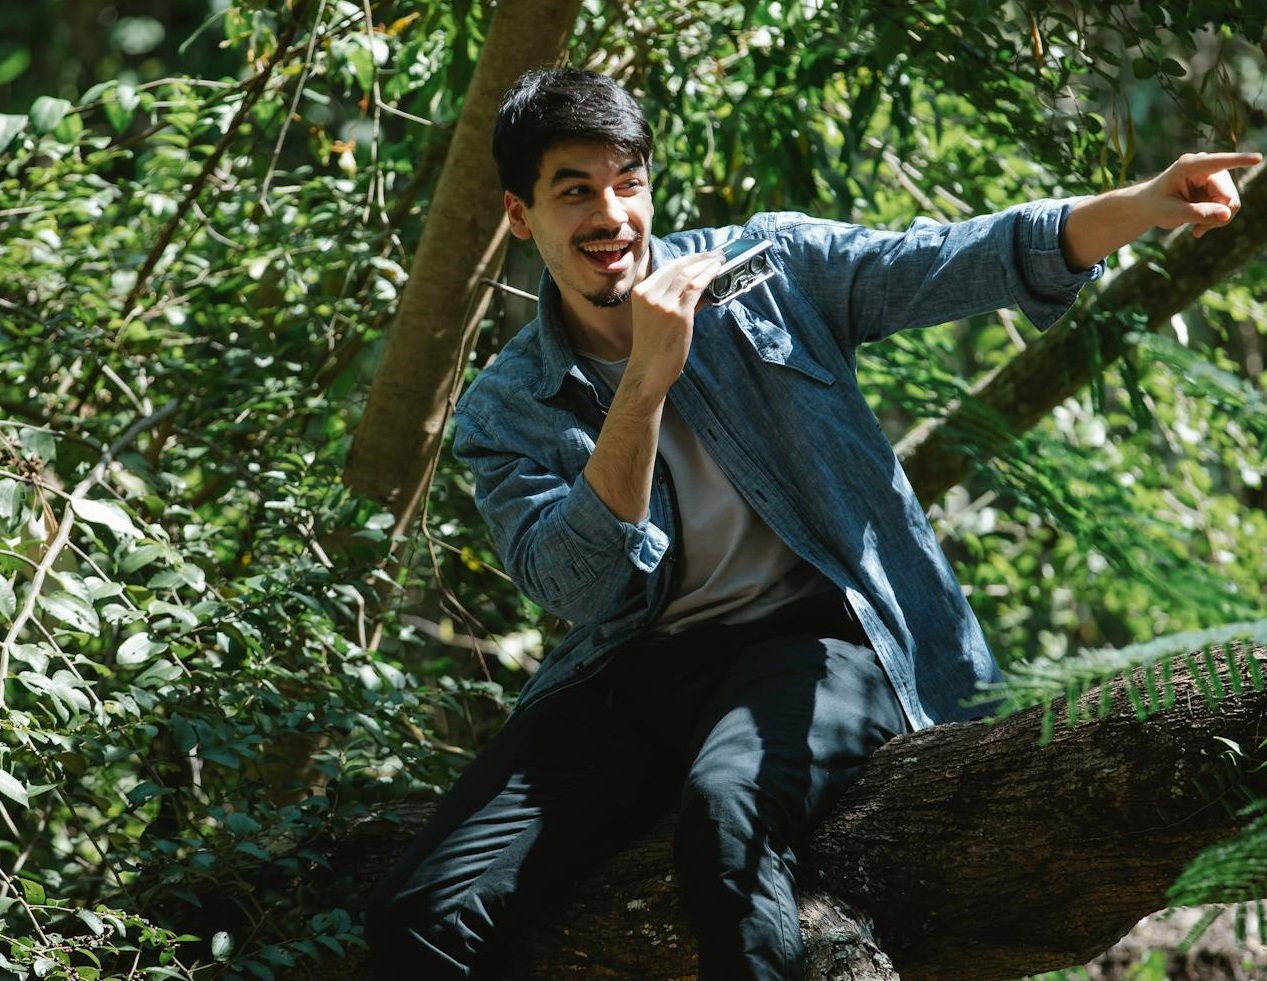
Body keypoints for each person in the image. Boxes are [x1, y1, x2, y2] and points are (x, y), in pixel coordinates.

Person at [365, 67, 1260, 980]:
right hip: (629, 666)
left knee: (728, 819)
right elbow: (581, 587)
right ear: (520, 216)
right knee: (422, 913)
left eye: (627, 181)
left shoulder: (762, 271)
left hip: (818, 639)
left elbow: (950, 259)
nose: (611, 214)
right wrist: (644, 383)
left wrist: (1143, 202)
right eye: (574, 191)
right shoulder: (504, 409)